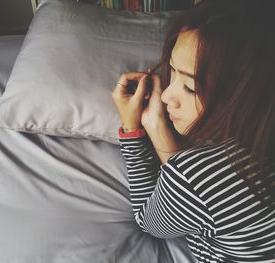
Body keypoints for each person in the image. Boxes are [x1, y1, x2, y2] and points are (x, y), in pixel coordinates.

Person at [111, 0, 274, 262]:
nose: (165, 95)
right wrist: (158, 125)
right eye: (172, 71)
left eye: (190, 87)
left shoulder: (203, 175)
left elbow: (149, 221)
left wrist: (132, 130)